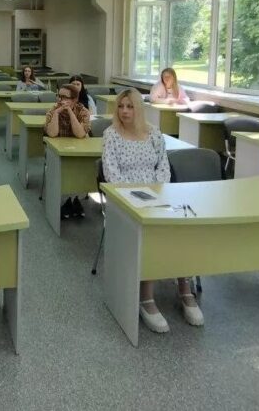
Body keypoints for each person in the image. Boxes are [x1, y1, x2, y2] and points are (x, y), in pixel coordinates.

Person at [102, 88, 203, 334]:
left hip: (158, 196)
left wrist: (156, 192)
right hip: (125, 201)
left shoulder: (155, 134)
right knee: (151, 233)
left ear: (139, 108)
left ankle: (185, 290)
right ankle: (146, 298)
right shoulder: (111, 135)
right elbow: (111, 173)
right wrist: (135, 195)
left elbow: (164, 168)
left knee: (181, 229)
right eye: (121, 106)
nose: (124, 111)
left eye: (130, 106)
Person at [45, 84, 91, 218]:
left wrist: (70, 112)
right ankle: (67, 200)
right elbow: (52, 134)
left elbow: (80, 134)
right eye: (59, 96)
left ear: (74, 100)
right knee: (65, 168)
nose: (60, 100)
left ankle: (75, 199)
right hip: (57, 153)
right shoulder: (52, 110)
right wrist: (57, 113)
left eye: (64, 97)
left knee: (81, 167)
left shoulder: (83, 111)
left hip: (79, 153)